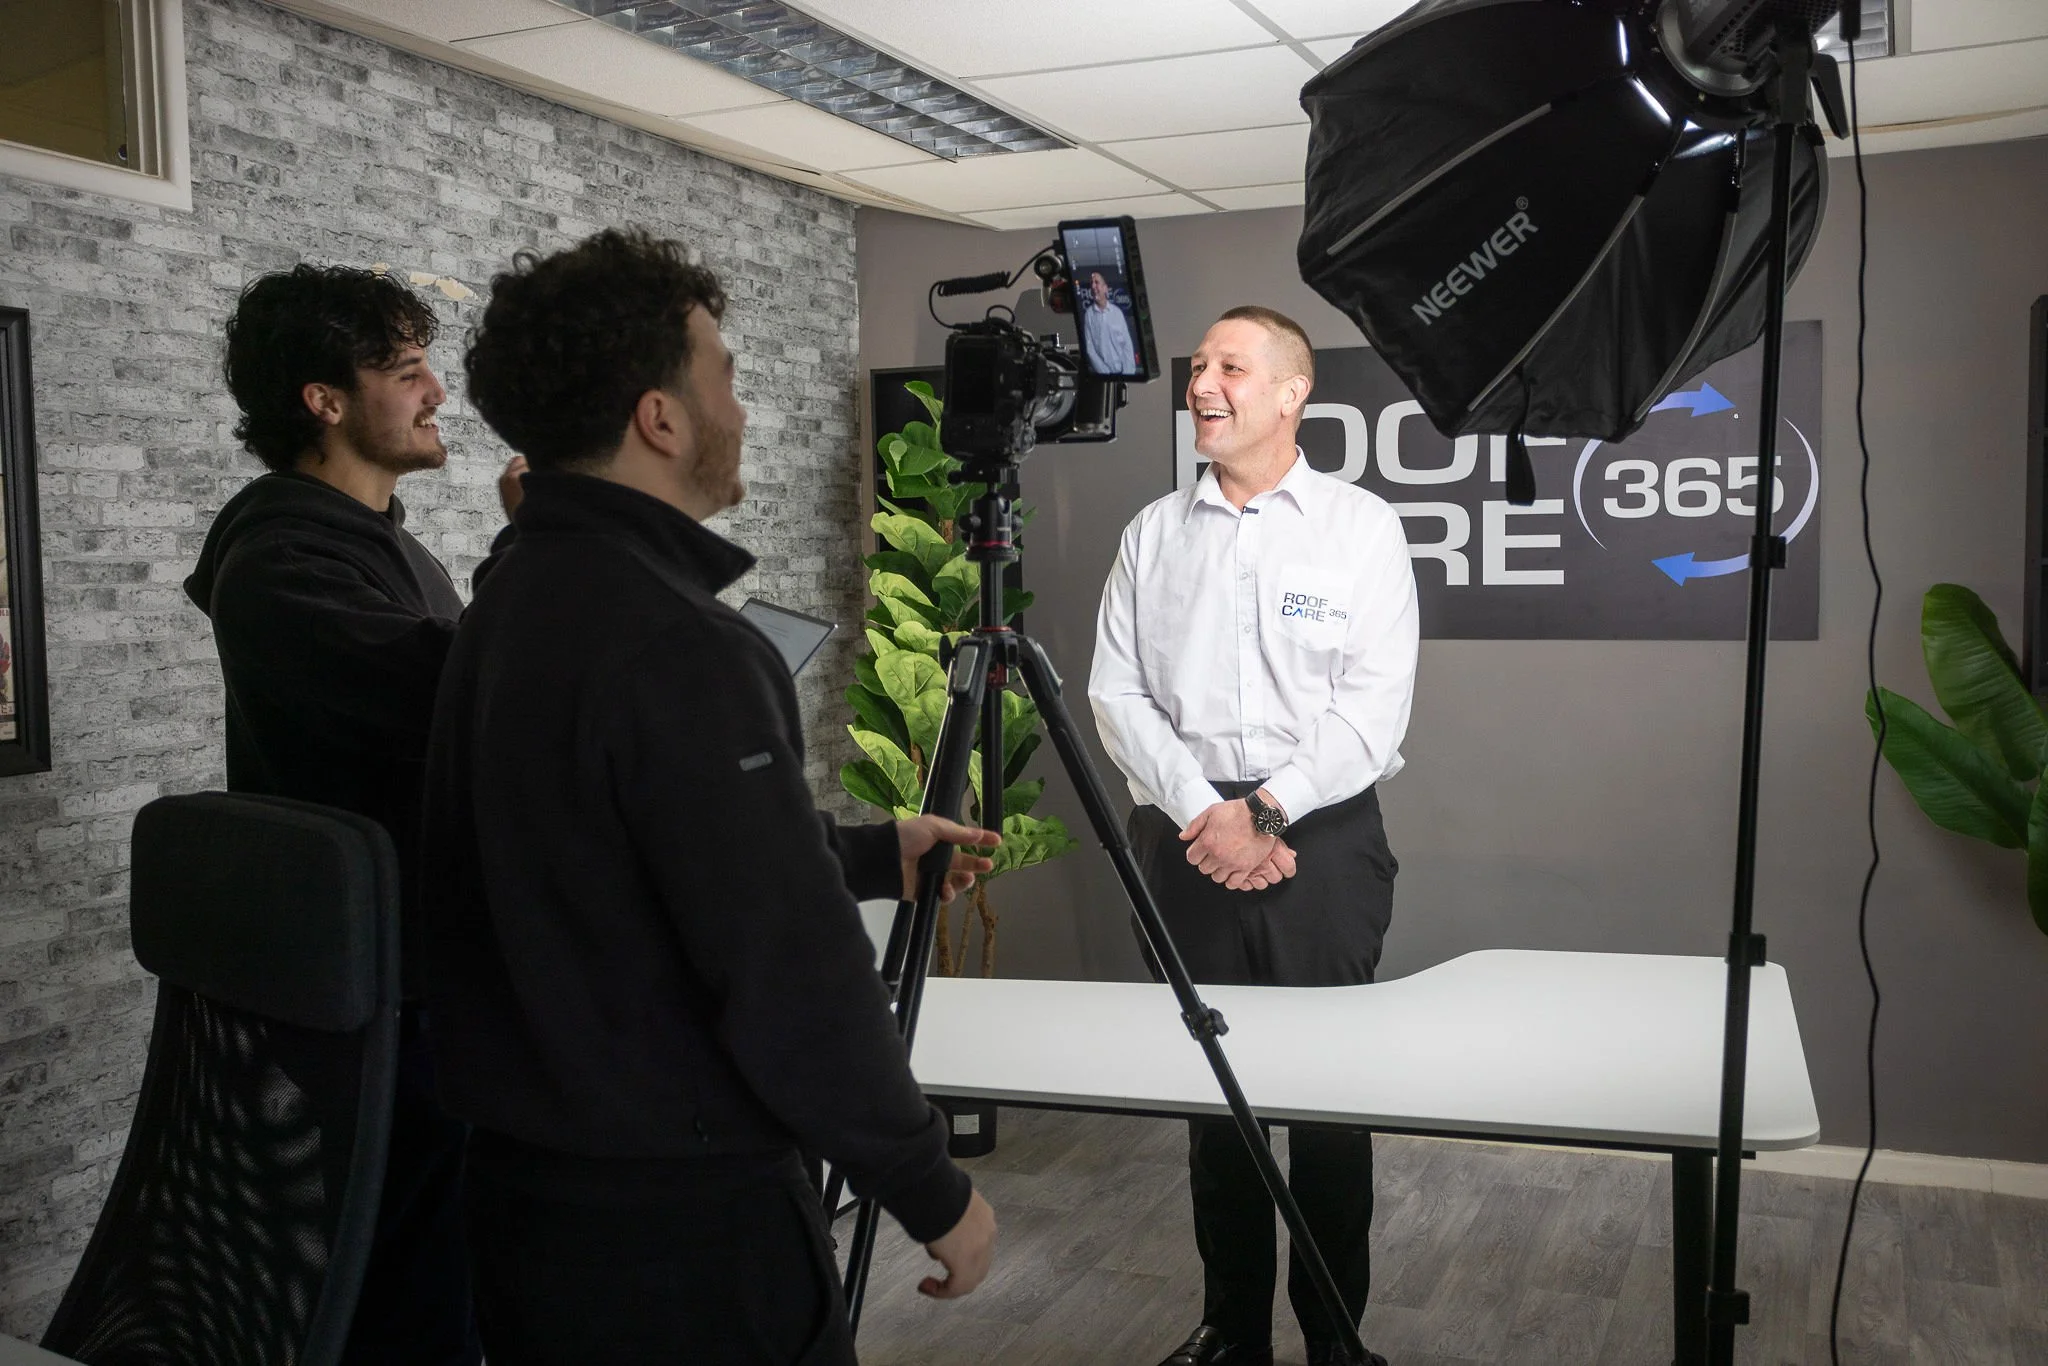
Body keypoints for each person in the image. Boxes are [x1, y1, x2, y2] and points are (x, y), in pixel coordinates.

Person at [423, 227, 1000, 1366]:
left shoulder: (507, 603)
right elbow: (788, 964)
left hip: (524, 1209)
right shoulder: (684, 645)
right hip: (686, 1234)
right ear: (661, 418)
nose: (739, 407)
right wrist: (929, 1183)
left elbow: (610, 859)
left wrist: (866, 853)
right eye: (723, 376)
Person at [186, 264, 526, 1366]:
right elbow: (457, 692)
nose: (437, 394)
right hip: (378, 1002)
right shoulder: (280, 562)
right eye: (408, 371)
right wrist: (535, 547)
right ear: (324, 401)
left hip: (432, 982)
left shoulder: (386, 546)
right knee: (407, 1301)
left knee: (454, 1276)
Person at [1087, 305, 1419, 1366]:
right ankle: (1232, 1335)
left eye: (1229, 367)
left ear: (1290, 392)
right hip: (1185, 837)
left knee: (1327, 1108)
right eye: (1196, 367)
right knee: (1216, 1103)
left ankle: (1335, 1341)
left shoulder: (1360, 527)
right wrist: (1206, 813)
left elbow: (1372, 711)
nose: (1200, 385)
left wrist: (1264, 812)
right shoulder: (1151, 534)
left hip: (1323, 836)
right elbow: (1115, 696)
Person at [1081, 269, 1139, 376]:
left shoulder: (1117, 312)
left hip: (1124, 372)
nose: (1093, 286)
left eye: (1096, 282)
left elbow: (1127, 344)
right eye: (1091, 283)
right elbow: (1090, 349)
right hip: (1104, 374)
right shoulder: (1089, 315)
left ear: (1105, 288)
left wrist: (1128, 372)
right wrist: (1106, 374)